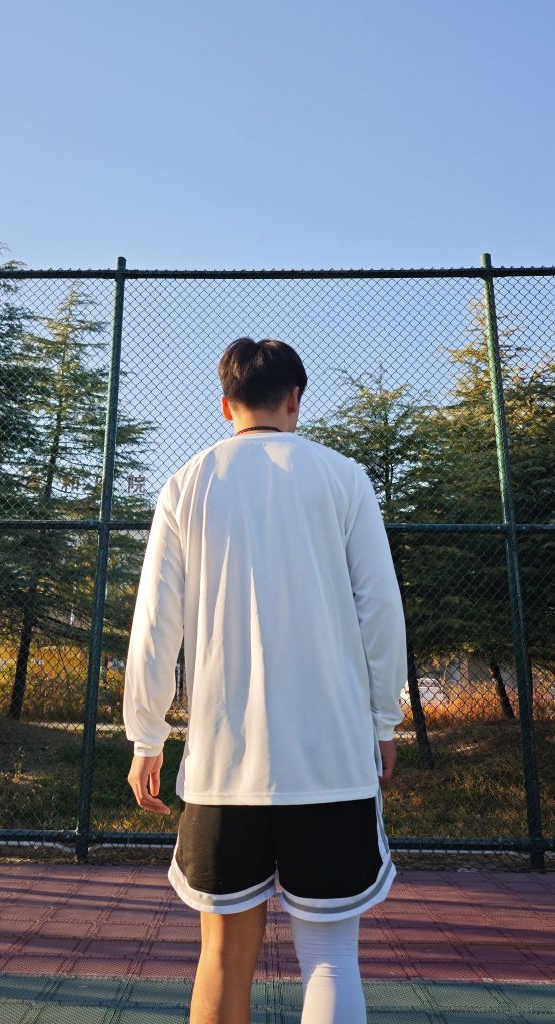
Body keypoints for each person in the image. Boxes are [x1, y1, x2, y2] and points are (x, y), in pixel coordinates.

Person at [123, 337, 407, 1024]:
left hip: (223, 769)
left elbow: (155, 622)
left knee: (222, 955)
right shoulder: (343, 478)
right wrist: (383, 721)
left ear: (226, 405)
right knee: (331, 955)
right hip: (332, 762)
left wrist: (147, 736)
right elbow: (380, 609)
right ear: (295, 399)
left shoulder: (188, 483)